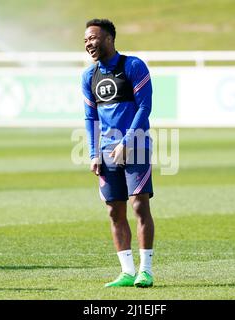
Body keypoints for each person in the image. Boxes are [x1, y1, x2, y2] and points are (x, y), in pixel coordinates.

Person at [82, 18, 155, 288]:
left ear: (110, 39)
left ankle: (145, 271)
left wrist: (127, 140)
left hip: (136, 147)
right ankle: (126, 272)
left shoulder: (133, 66)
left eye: (93, 38)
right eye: (86, 40)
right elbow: (91, 118)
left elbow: (144, 108)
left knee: (139, 206)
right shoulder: (89, 76)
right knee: (114, 212)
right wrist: (93, 153)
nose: (89, 43)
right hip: (106, 153)